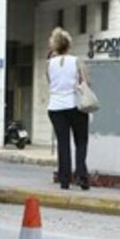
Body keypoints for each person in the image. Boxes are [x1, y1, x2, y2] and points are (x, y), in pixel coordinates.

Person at [46, 27, 90, 190]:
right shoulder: (76, 61)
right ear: (68, 45)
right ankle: (81, 175)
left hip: (55, 107)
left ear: (55, 46)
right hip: (74, 105)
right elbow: (85, 82)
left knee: (62, 143)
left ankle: (64, 180)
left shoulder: (49, 64)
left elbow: (50, 82)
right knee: (81, 140)